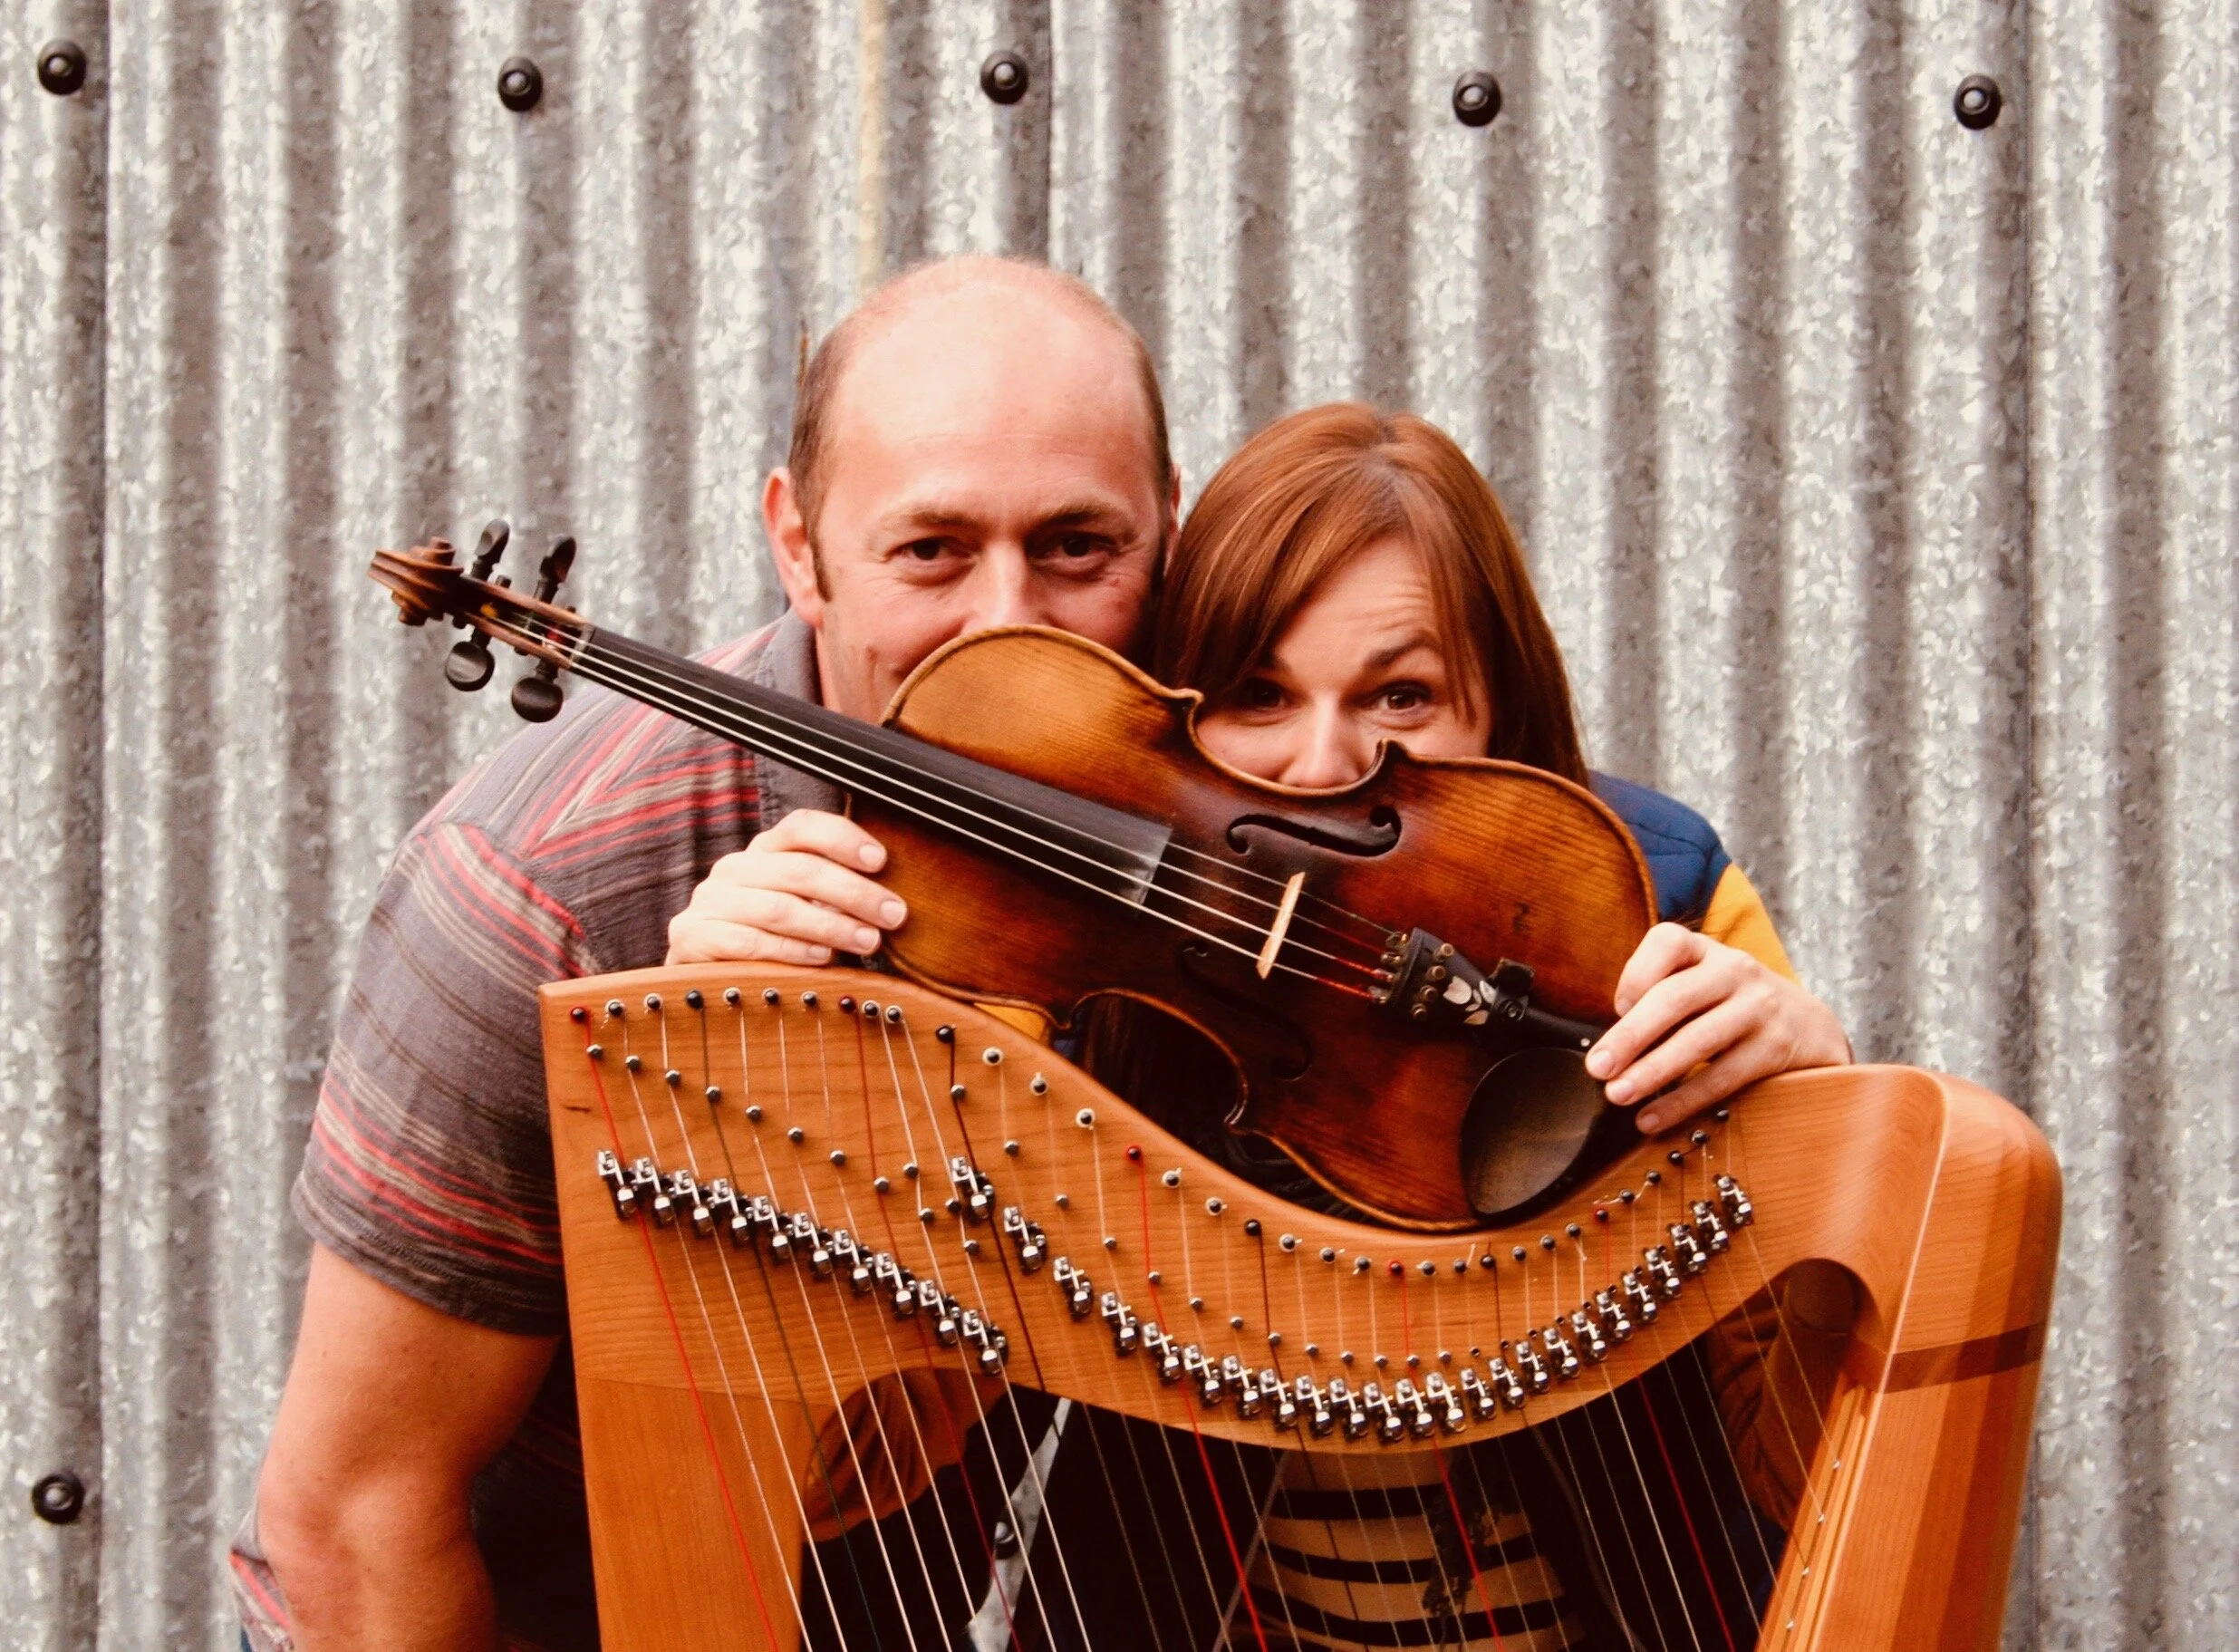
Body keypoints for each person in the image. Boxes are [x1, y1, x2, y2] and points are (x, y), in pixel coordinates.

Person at [669, 401, 1854, 1649]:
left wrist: (1822, 1133)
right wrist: (743, 1063)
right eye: (1259, 693)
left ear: (1499, 710)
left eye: (1400, 695)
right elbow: (843, 1482)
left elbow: (1811, 1467)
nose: (1323, 762)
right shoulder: (1057, 971)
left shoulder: (1659, 904)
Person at [235, 254, 1182, 1652]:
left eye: (1076, 548)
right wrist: (681, 1085)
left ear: (1168, 531)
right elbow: (355, 1518)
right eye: (930, 550)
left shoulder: (1202, 833)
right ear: (797, 546)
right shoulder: (544, 895)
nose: (1005, 624)